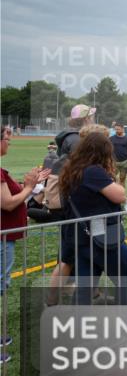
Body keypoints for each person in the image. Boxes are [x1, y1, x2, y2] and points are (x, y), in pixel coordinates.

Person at [60, 130, 127, 305]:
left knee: (84, 289)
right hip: (103, 238)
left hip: (82, 238)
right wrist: (112, 176)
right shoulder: (93, 171)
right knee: (126, 281)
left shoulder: (72, 170)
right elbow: (120, 195)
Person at [1, 128, 50, 361]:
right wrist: (29, 188)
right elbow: (8, 203)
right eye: (7, 139)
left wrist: (32, 185)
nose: (9, 143)